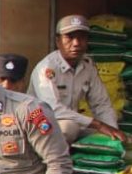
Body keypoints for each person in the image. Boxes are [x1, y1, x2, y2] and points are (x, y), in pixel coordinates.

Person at [29, 14, 126, 143]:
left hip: (73, 121)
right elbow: (53, 110)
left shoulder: (87, 65)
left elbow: (101, 104)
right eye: (69, 37)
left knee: (103, 135)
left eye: (81, 38)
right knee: (69, 128)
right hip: (41, 123)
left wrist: (113, 132)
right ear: (58, 41)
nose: (76, 43)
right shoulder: (46, 68)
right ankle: (50, 162)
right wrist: (98, 124)